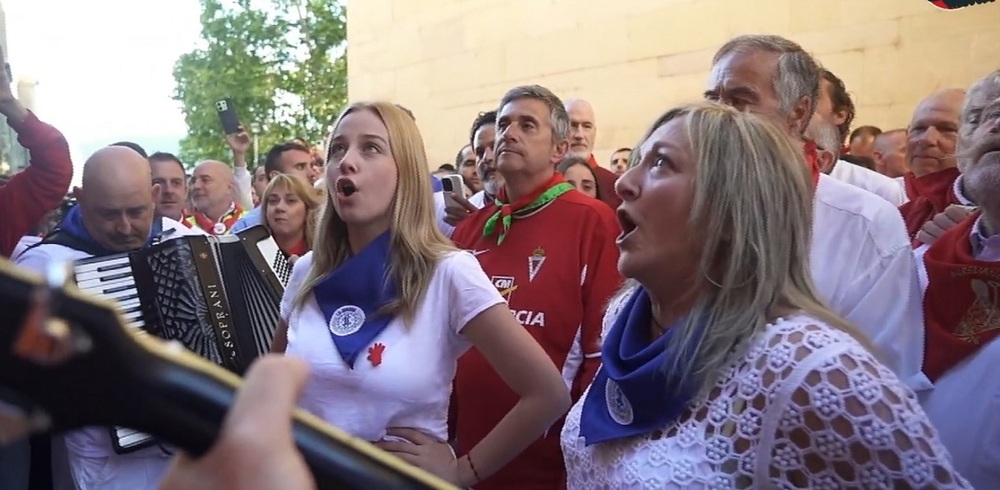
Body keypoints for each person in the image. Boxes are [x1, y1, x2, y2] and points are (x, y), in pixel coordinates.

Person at [559, 100, 970, 488]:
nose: (626, 183)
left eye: (661, 164)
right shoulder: (625, 316)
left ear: (730, 209)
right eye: (636, 164)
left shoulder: (812, 370)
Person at [271, 101, 570, 487]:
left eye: (371, 148)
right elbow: (270, 388)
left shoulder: (449, 273)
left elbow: (547, 393)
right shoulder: (306, 272)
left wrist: (463, 471)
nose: (347, 161)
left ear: (406, 171)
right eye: (337, 149)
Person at [14, 146, 203, 490]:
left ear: (155, 195)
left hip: (190, 456)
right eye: (108, 214)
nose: (125, 226)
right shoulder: (43, 265)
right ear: (80, 199)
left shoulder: (186, 241)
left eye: (137, 211)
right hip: (104, 468)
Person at [260, 173, 321, 258]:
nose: (279, 207)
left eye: (290, 200)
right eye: (273, 201)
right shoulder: (252, 252)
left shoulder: (324, 252)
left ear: (307, 208)